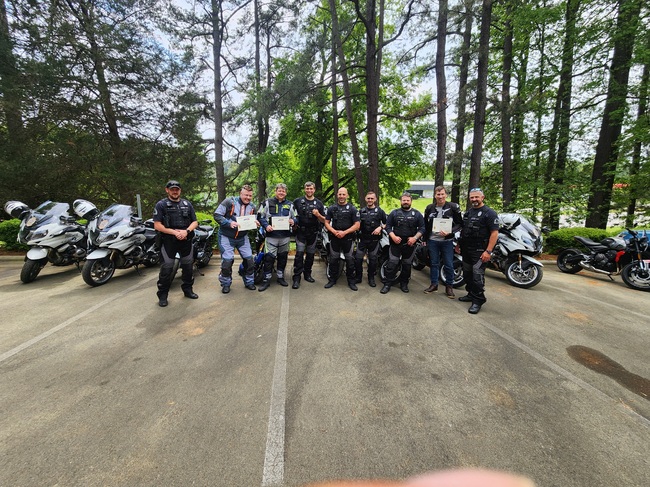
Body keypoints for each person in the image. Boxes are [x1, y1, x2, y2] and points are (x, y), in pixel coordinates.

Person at [152, 180, 199, 307]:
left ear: (180, 190)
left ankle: (188, 290)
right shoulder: (161, 205)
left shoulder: (187, 204)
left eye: (177, 189)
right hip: (169, 241)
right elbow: (157, 225)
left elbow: (195, 222)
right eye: (172, 189)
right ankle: (163, 295)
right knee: (167, 268)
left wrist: (186, 231)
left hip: (186, 240)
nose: (174, 191)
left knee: (188, 267)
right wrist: (174, 232)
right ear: (167, 190)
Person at [458, 187, 499, 314]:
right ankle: (471, 294)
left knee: (477, 276)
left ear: (482, 197)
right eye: (472, 197)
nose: (474, 199)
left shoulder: (489, 213)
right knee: (467, 274)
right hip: (466, 249)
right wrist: (459, 245)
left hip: (480, 251)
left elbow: (494, 233)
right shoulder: (469, 213)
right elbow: (464, 230)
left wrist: (488, 251)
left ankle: (478, 300)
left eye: (476, 197)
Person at [213, 184, 259, 294]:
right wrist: (229, 223)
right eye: (246, 195)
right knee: (227, 261)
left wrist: (256, 222)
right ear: (240, 194)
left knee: (249, 260)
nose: (248, 197)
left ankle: (249, 282)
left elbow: (255, 219)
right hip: (226, 236)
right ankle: (225, 283)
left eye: (250, 196)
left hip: (242, 237)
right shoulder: (229, 202)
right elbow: (217, 215)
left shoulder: (252, 206)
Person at [380, 192, 425, 294]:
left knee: (407, 264)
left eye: (407, 200)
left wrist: (414, 238)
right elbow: (388, 226)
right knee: (392, 263)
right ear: (401, 201)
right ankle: (387, 284)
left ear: (411, 201)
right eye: (404, 200)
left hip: (410, 244)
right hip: (395, 243)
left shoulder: (417, 214)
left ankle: (404, 283)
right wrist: (393, 236)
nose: (405, 202)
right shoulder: (394, 213)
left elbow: (422, 228)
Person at [423, 185, 463, 298]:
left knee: (449, 264)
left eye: (442, 194)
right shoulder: (429, 208)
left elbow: (460, 224)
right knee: (434, 263)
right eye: (438, 194)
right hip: (433, 240)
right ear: (435, 195)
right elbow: (425, 224)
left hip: (447, 241)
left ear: (446, 195)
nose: (440, 196)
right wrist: (425, 239)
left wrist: (450, 232)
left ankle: (449, 287)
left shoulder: (453, 207)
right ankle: (434, 284)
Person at [257, 183, 296, 292]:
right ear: (276, 191)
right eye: (279, 190)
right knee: (269, 258)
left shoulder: (290, 204)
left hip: (285, 236)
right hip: (271, 236)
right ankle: (266, 279)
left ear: (286, 193)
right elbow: (260, 216)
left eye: (283, 191)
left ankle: (280, 277)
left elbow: (296, 217)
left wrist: (293, 221)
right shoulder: (267, 202)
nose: (281, 193)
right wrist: (266, 225)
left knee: (283, 257)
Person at [324, 187, 360, 291]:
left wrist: (344, 232)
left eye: (343, 194)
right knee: (333, 259)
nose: (341, 196)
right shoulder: (332, 208)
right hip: (335, 238)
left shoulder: (352, 209)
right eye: (340, 194)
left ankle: (351, 281)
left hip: (348, 238)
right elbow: (326, 222)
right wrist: (334, 231)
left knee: (350, 260)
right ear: (337, 195)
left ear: (347, 195)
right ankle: (332, 280)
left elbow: (357, 225)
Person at [292, 181, 327, 289]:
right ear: (304, 189)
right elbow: (291, 215)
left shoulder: (319, 203)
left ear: (314, 189)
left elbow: (324, 220)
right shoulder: (297, 201)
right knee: (299, 255)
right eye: (307, 188)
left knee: (310, 255)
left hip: (313, 233)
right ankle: (296, 277)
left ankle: (307, 274)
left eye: (311, 188)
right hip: (300, 232)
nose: (309, 190)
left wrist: (318, 214)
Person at [354, 191, 387, 287]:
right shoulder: (361, 211)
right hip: (362, 240)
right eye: (368, 198)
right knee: (358, 259)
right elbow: (356, 223)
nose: (370, 200)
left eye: (372, 198)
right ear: (365, 199)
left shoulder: (380, 211)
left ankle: (371, 278)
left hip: (374, 241)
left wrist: (380, 227)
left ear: (375, 199)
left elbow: (387, 223)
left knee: (373, 260)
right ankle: (358, 277)